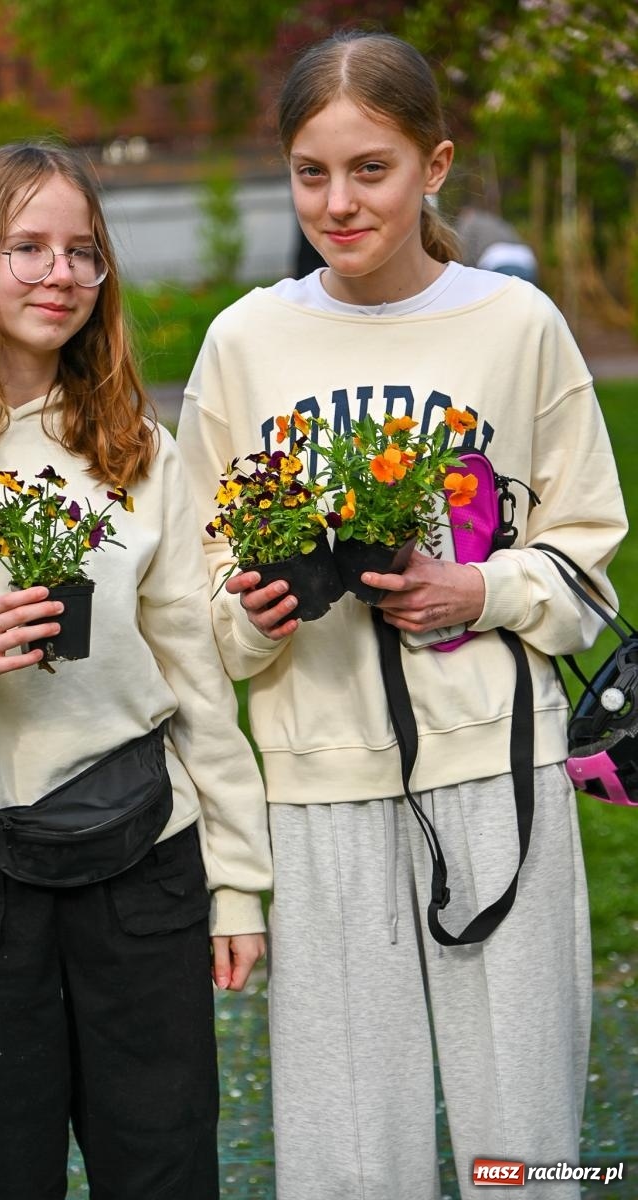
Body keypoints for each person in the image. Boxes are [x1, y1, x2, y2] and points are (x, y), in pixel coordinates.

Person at [175, 31, 627, 1200]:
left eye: (369, 169)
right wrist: (257, 612)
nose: (338, 202)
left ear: (435, 165)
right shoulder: (243, 342)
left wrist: (480, 588)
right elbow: (193, 596)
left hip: (499, 776)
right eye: (310, 172)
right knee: (346, 1154)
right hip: (317, 787)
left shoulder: (516, 325)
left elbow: (589, 566)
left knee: (519, 1142)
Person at [0, 143, 271, 1200]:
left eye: (82, 251)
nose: (60, 273)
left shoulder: (138, 449)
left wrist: (236, 884)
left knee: (162, 1170)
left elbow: (196, 681)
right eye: (26, 247)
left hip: (146, 869)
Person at [455, 203, 540, 283]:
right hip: (526, 258)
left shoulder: (469, 221)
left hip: (498, 261)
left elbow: (463, 250)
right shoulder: (495, 219)